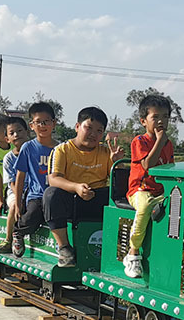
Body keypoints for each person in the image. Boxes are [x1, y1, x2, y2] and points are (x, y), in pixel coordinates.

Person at [44, 107, 123, 266]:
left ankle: (120, 249)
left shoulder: (106, 152)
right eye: (89, 128)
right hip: (71, 200)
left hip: (96, 198)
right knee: (51, 195)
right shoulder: (62, 150)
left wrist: (116, 162)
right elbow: (54, 179)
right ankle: (64, 248)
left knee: (121, 196)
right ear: (77, 127)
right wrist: (76, 187)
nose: (93, 134)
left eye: (99, 131)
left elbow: (118, 185)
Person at [123, 94, 174, 279]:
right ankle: (133, 253)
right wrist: (160, 140)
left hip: (159, 191)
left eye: (165, 116)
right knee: (144, 207)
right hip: (139, 190)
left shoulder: (169, 144)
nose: (161, 121)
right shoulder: (140, 141)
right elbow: (148, 165)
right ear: (143, 121)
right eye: (156, 117)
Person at [12, 102, 59, 257]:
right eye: (38, 122)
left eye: (47, 121)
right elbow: (20, 176)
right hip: (37, 196)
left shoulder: (61, 149)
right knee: (33, 216)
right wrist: (18, 203)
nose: (43, 125)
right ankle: (17, 233)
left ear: (54, 123)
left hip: (56, 196)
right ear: (31, 125)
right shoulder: (28, 148)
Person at [0, 116, 30, 253]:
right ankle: (8, 239)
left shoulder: (33, 151)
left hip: (32, 191)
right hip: (14, 191)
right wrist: (19, 197)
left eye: (20, 131)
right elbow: (12, 182)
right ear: (7, 139)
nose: (17, 135)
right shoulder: (9, 158)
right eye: (12, 133)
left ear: (27, 132)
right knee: (15, 205)